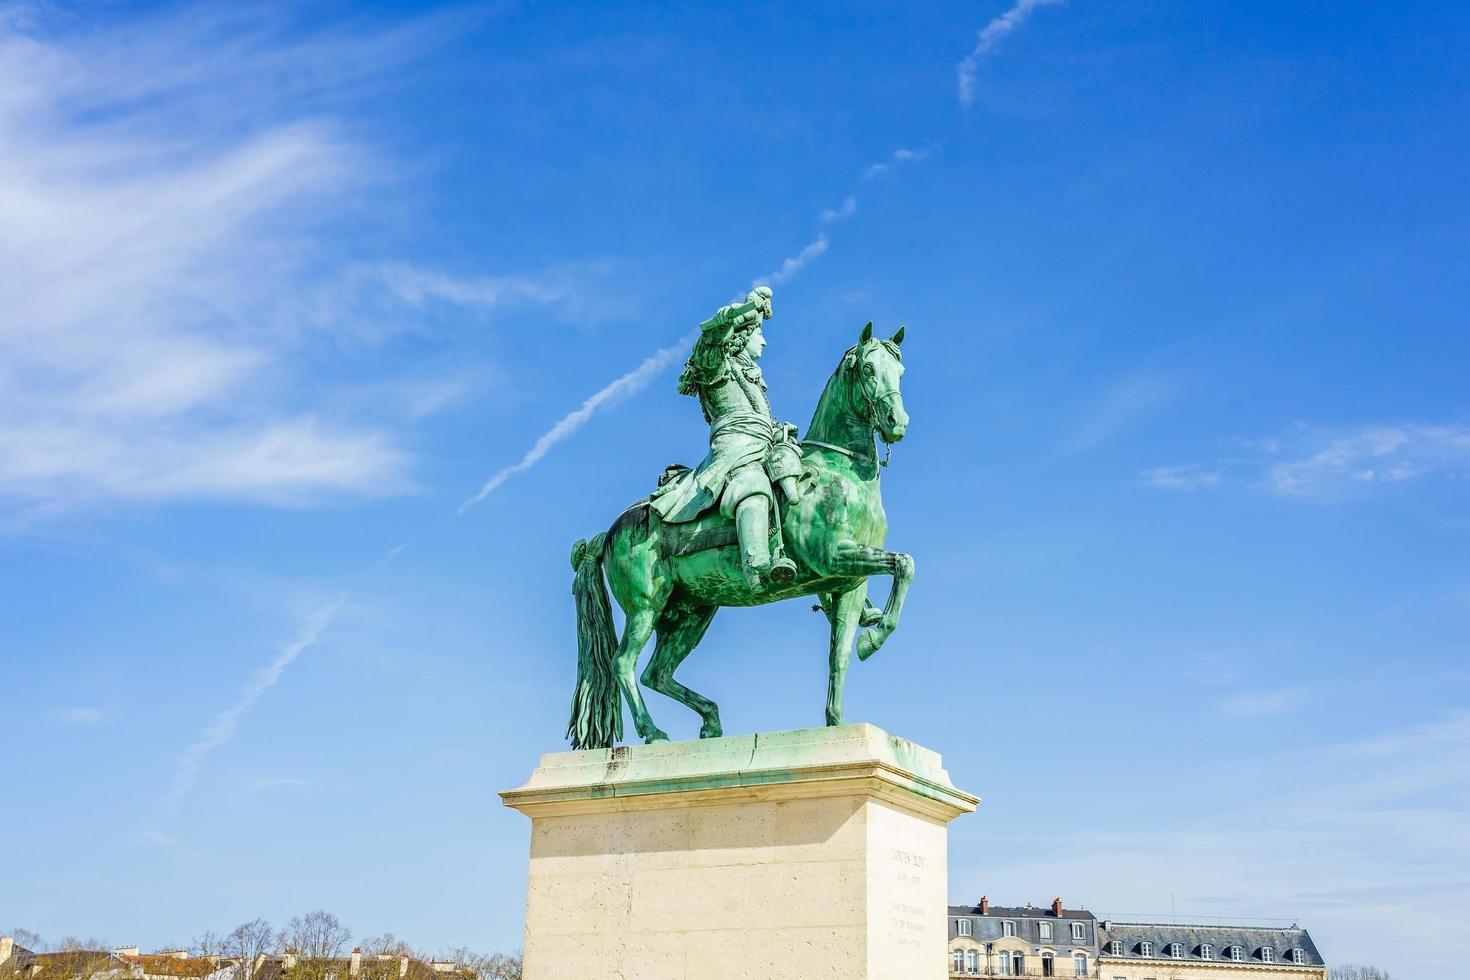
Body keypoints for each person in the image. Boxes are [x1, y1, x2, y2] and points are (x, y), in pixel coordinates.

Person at [649, 286, 802, 591]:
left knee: (801, 474)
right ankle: (756, 563)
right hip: (735, 449)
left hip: (764, 444)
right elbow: (709, 342)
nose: (765, 340)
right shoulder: (717, 368)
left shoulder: (752, 378)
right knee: (752, 485)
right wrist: (742, 310)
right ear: (742, 337)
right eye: (760, 333)